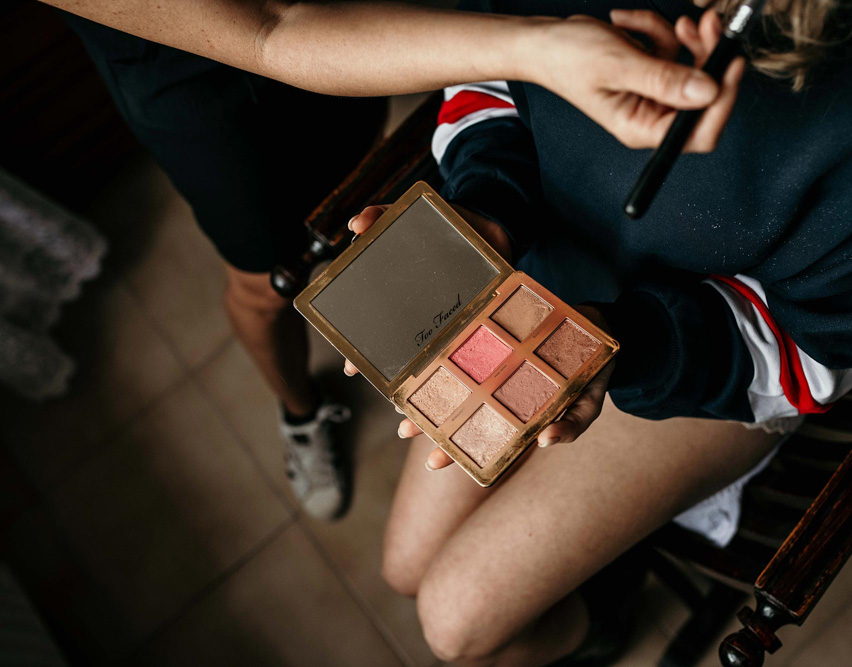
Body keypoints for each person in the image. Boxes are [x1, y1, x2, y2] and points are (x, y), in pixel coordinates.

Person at [345, 0, 852, 663]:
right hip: (541, 270)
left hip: (705, 360)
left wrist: (631, 342)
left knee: (457, 620)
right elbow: (488, 73)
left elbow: (813, 346)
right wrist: (486, 210)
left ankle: (597, 625)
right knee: (405, 563)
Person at [43, 0, 739, 520]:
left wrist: (484, 204)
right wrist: (533, 49)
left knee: (364, 190)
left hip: (348, 35)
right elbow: (271, 27)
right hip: (203, 90)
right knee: (266, 280)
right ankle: (300, 410)